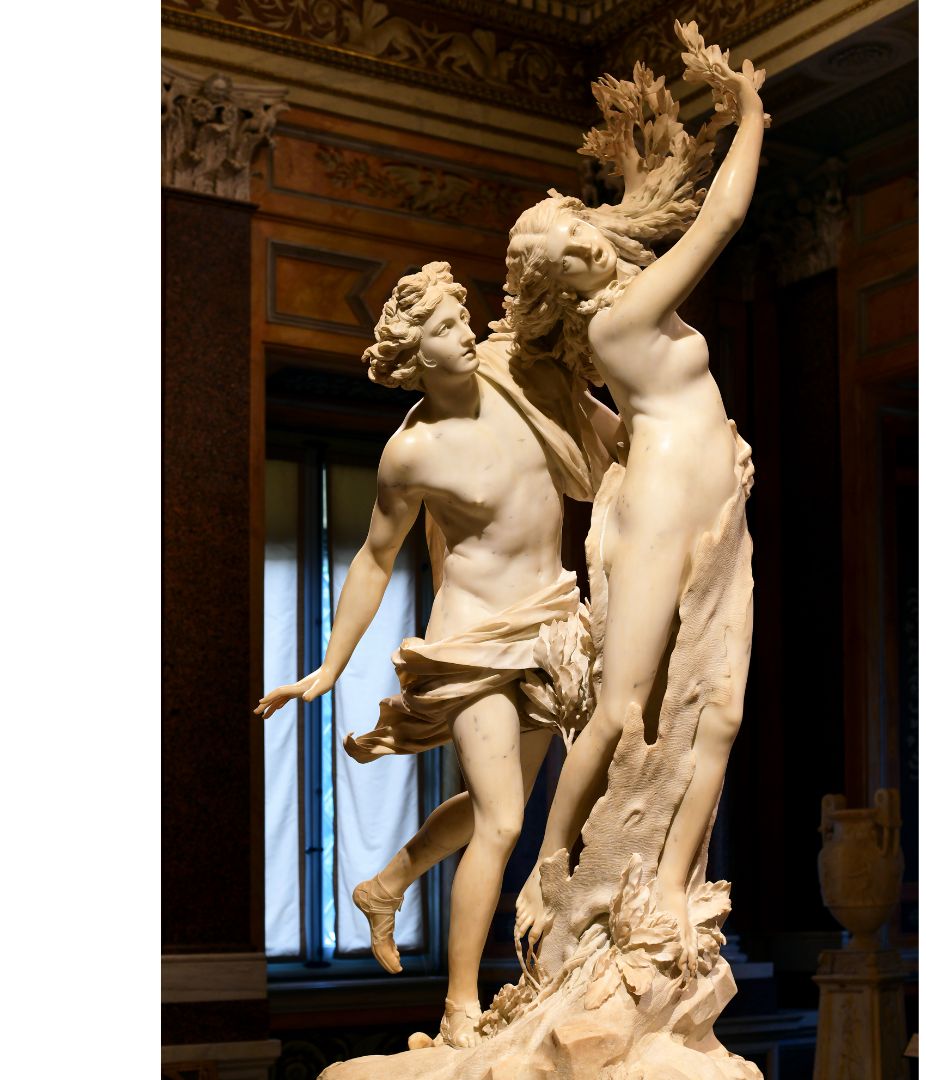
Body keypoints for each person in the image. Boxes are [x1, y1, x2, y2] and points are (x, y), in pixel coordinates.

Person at [256, 263, 619, 1046]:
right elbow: (374, 558)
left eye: (463, 319)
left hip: (549, 626)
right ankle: (460, 1006)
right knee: (503, 822)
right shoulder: (412, 453)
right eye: (448, 329)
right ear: (417, 357)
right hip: (470, 642)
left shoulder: (518, 373)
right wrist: (329, 665)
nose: (466, 334)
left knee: (497, 807)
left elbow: (603, 428)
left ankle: (386, 884)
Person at [509, 41, 766, 965]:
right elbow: (723, 215)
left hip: (712, 501)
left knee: (721, 710)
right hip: (665, 506)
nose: (584, 243)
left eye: (577, 227)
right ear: (561, 285)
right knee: (620, 707)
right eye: (564, 254)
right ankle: (547, 868)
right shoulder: (622, 319)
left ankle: (672, 886)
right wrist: (749, 113)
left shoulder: (620, 317)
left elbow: (626, 426)